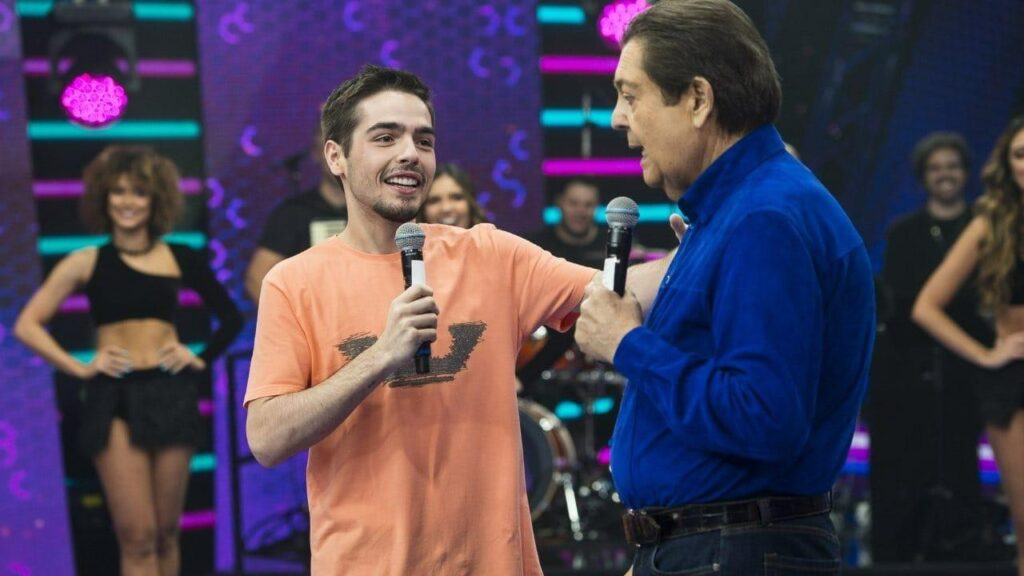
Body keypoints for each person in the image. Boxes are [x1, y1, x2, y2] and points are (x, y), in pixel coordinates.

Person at [573, 1, 876, 575]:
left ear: (697, 100)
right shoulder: (744, 211)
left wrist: (626, 344)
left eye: (630, 95)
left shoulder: (763, 218)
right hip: (715, 546)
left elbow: (764, 416)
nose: (616, 118)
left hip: (731, 549)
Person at [14, 145, 242, 576]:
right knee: (137, 536)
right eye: (118, 191)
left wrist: (198, 358)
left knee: (166, 533)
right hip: (112, 397)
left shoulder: (179, 255)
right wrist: (81, 367)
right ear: (104, 198)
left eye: (139, 192)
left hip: (171, 394)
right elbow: (27, 324)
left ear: (155, 199)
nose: (128, 202)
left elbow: (231, 318)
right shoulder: (85, 260)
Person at [913, 115, 1024, 576]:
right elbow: (926, 306)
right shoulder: (991, 225)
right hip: (1015, 385)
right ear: (1007, 165)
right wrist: (987, 354)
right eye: (1020, 154)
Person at [872, 132, 991, 562]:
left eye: (952, 166)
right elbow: (901, 304)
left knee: (964, 462)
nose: (945, 174)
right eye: (936, 167)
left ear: (966, 173)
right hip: (916, 374)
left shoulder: (988, 228)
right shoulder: (904, 233)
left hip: (978, 369)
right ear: (923, 176)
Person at [244, 127, 348, 303]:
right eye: (330, 152)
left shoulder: (374, 210)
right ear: (316, 153)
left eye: (344, 152)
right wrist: (293, 314)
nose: (337, 161)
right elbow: (256, 278)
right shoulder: (294, 213)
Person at [528, 178, 606, 270]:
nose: (580, 211)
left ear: (597, 206)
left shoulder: (610, 245)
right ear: (559, 203)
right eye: (573, 203)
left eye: (588, 205)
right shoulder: (537, 246)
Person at [416, 162, 487, 228]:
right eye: (434, 201)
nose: (446, 208)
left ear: (471, 204)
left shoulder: (491, 236)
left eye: (456, 198)